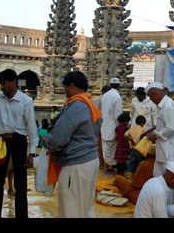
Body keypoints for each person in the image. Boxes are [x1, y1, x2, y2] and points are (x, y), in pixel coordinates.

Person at [44, 71, 102, 218]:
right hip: (90, 161)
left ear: (71, 87)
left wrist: (48, 142)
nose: (65, 93)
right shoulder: (91, 105)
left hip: (76, 165)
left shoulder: (76, 105)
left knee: (72, 210)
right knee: (86, 208)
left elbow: (58, 139)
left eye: (64, 88)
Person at [0, 69, 38, 218]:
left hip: (19, 142)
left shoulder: (26, 101)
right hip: (1, 141)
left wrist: (32, 152)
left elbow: (31, 127)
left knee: (21, 181)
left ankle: (22, 215)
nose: (2, 87)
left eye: (5, 84)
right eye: (1, 84)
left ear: (14, 82)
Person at [144, 82, 174, 177]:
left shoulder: (168, 105)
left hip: (171, 151)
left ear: (155, 95)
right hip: (163, 150)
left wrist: (156, 135)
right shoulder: (162, 105)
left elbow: (172, 128)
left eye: (150, 98)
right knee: (158, 175)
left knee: (170, 180)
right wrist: (153, 133)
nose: (150, 100)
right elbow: (162, 127)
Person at [101, 77, 123, 176]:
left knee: (106, 148)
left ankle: (107, 168)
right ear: (119, 86)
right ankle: (106, 170)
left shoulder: (105, 96)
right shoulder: (117, 97)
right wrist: (119, 129)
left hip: (104, 125)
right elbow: (118, 115)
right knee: (111, 148)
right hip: (112, 127)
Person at [115, 112, 131, 176]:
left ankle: (118, 173)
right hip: (123, 145)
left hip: (119, 145)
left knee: (119, 161)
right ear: (124, 121)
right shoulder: (125, 128)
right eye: (127, 121)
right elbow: (125, 139)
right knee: (123, 161)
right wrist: (128, 147)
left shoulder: (117, 128)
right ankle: (121, 174)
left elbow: (117, 137)